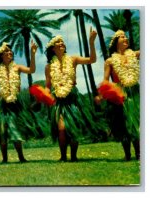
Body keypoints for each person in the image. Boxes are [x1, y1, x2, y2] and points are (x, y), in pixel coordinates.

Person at [44, 29, 102, 162]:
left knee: (73, 128)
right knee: (62, 129)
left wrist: (91, 42)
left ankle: (74, 157)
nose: (61, 44)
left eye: (62, 42)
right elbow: (48, 86)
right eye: (58, 42)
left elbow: (92, 59)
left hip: (73, 99)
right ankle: (63, 156)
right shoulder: (48, 67)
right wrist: (42, 96)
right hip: (58, 101)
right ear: (52, 48)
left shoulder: (73, 59)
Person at [0, 41, 38, 163]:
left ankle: (21, 156)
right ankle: (4, 158)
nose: (9, 52)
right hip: (1, 103)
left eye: (10, 51)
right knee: (2, 129)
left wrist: (32, 53)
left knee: (15, 129)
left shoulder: (18, 67)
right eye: (6, 51)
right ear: (1, 55)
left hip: (16, 103)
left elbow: (32, 69)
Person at [95, 30, 140, 161]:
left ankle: (139, 154)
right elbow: (105, 80)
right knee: (123, 124)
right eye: (122, 37)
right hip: (119, 94)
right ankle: (127, 154)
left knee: (136, 123)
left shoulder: (135, 54)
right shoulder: (110, 61)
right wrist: (101, 95)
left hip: (135, 93)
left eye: (126, 36)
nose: (125, 38)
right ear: (115, 42)